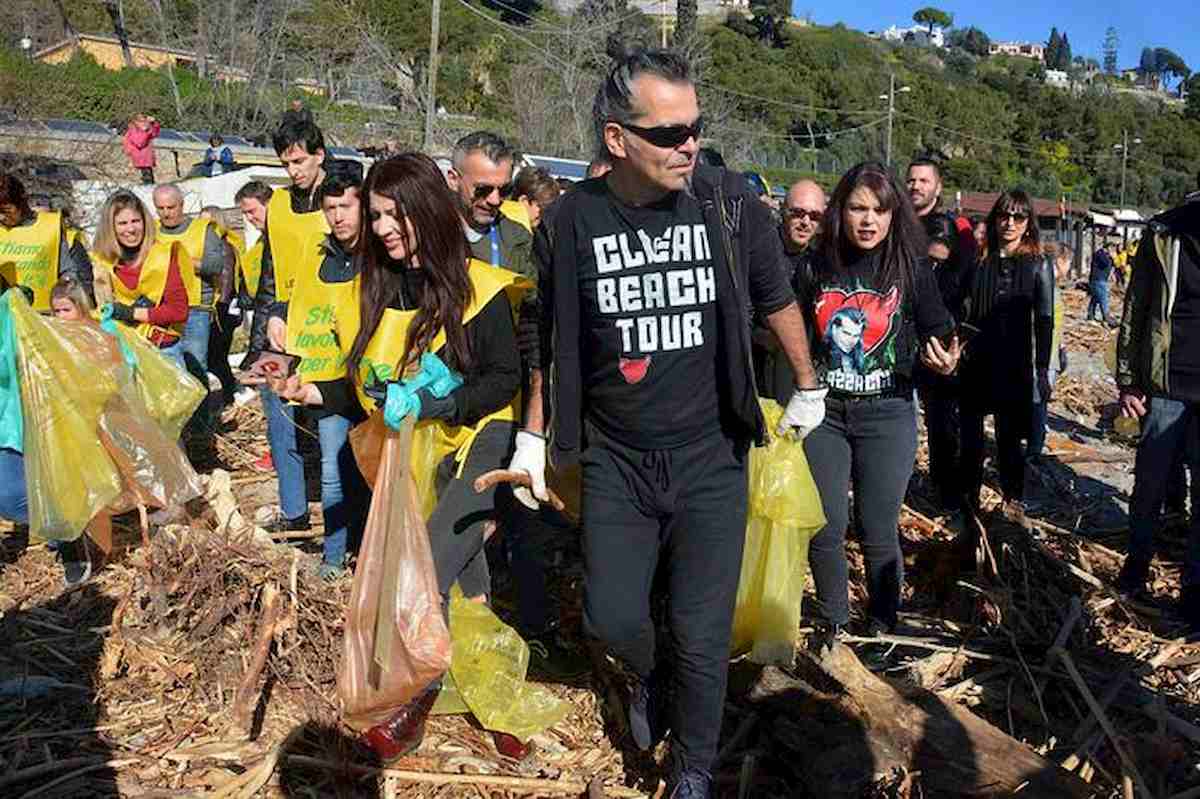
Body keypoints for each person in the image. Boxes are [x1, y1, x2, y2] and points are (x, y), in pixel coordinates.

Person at [510, 49, 824, 798]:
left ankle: (692, 769)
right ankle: (647, 672)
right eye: (669, 132)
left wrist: (807, 384)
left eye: (696, 128)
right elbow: (549, 337)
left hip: (711, 453)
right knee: (613, 616)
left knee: (703, 631)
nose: (688, 143)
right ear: (617, 140)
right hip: (616, 458)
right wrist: (532, 434)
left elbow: (775, 293)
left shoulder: (725, 201)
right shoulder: (570, 222)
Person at [273, 152, 529, 758]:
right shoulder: (377, 289)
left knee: (429, 570)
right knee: (468, 583)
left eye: (395, 215)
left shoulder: (478, 287)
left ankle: (413, 702)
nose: (384, 227)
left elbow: (502, 380)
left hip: (478, 440)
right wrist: (309, 390)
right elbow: (363, 389)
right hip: (411, 451)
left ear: (425, 211)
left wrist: (435, 406)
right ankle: (490, 691)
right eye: (378, 215)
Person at [797, 162, 959, 651]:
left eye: (879, 210)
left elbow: (939, 330)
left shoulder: (910, 268)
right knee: (824, 523)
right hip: (827, 414)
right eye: (857, 208)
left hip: (887, 413)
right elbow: (795, 331)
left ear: (895, 216)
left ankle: (885, 622)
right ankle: (834, 622)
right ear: (840, 211)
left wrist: (947, 359)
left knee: (877, 525)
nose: (868, 220)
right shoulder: (815, 264)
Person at [260, 170, 368, 579]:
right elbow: (294, 302)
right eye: (330, 208)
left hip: (372, 384)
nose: (338, 216)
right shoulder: (316, 256)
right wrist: (276, 316)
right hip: (327, 384)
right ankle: (334, 560)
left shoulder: (380, 257)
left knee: (371, 471)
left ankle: (367, 549)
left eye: (345, 206)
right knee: (332, 470)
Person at [1115, 192, 1200, 632]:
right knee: (1149, 484)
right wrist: (1128, 379)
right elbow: (1137, 305)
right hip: (1167, 384)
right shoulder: (1166, 232)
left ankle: (1193, 596)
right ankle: (1136, 566)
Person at [245, 118, 333, 533]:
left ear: (319, 155)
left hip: (329, 327)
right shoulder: (277, 205)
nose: (293, 171)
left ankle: (344, 514)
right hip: (282, 324)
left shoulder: (339, 200)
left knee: (333, 421)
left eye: (299, 160)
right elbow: (269, 272)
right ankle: (294, 511)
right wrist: (257, 340)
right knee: (278, 417)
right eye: (286, 164)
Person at [957, 190, 1054, 533]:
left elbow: (1044, 320)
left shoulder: (1039, 263)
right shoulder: (979, 259)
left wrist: (1043, 369)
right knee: (969, 437)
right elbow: (962, 305)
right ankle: (967, 501)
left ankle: (1013, 501)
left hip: (1014, 364)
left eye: (1018, 217)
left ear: (1028, 224)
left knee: (1010, 439)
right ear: (995, 219)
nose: (1009, 223)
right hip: (975, 361)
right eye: (1004, 216)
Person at [907, 156, 975, 529]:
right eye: (911, 180)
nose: (916, 186)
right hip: (904, 334)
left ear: (937, 187)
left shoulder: (944, 225)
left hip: (938, 337)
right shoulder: (902, 222)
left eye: (923, 180)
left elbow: (936, 260)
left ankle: (948, 496)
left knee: (940, 421)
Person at [89, 190, 190, 351]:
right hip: (122, 347)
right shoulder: (101, 261)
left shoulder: (162, 256)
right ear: (110, 228)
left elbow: (179, 311)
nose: (131, 229)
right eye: (122, 223)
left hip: (161, 349)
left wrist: (131, 313)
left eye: (135, 221)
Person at [754, 179, 825, 404]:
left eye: (814, 216)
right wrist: (759, 336)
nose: (805, 222)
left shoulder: (824, 258)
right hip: (758, 358)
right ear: (783, 211)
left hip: (804, 363)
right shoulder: (759, 249)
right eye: (797, 213)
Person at [154, 184, 227, 386]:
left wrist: (184, 262)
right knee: (167, 368)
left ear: (182, 205)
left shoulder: (203, 230)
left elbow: (216, 265)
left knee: (195, 368)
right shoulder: (151, 232)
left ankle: (202, 414)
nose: (166, 213)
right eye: (161, 208)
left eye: (171, 207)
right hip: (162, 309)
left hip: (195, 308)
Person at [446, 131, 533, 277]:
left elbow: (528, 295)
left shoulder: (517, 238)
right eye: (483, 189)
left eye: (505, 189)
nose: (495, 200)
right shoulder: (426, 228)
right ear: (454, 180)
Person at [0, 174, 93, 311]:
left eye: (6, 211)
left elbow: (70, 275)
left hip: (47, 317)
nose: (1, 217)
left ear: (21, 201)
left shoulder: (50, 227)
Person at [1027, 242, 1072, 462]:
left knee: (1038, 401)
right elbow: (1044, 324)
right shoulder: (1044, 283)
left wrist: (1062, 347)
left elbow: (1056, 323)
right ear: (1061, 260)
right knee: (1038, 402)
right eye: (1069, 263)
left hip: (1049, 354)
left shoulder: (1050, 284)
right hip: (1042, 357)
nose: (1069, 268)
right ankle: (1034, 448)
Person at [197, 206, 242, 405]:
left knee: (216, 356)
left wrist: (219, 310)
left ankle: (230, 394)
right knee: (216, 356)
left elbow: (227, 281)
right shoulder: (212, 248)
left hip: (222, 310)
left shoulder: (223, 248)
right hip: (219, 309)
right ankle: (229, 392)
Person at [123, 114, 161, 185]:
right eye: (142, 120)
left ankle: (148, 185)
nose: (145, 122)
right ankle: (147, 185)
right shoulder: (134, 130)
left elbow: (155, 133)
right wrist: (146, 132)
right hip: (140, 156)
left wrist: (154, 123)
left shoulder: (145, 128)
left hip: (146, 156)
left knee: (148, 173)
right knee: (146, 174)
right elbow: (139, 142)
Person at [1088, 239, 1116, 323]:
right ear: (1108, 247)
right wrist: (1111, 257)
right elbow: (1105, 263)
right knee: (1104, 298)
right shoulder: (1100, 254)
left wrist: (1112, 276)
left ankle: (1090, 315)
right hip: (1098, 279)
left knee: (1095, 298)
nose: (1114, 251)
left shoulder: (1104, 255)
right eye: (1112, 249)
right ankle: (1106, 317)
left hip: (1100, 279)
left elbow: (1111, 266)